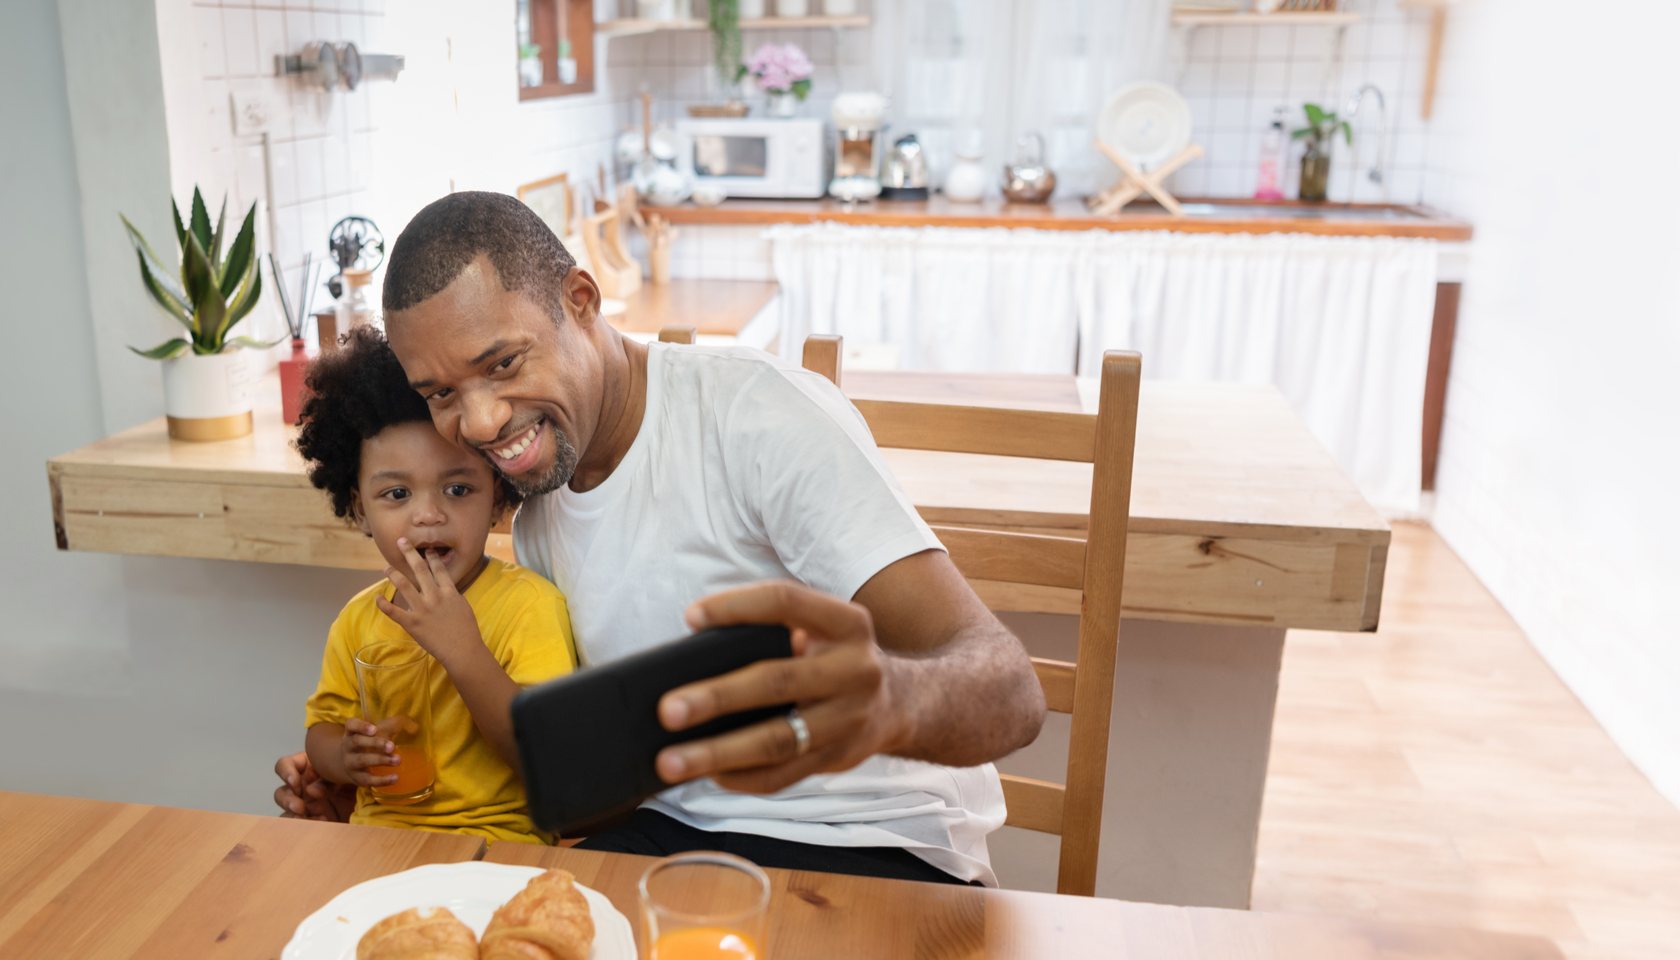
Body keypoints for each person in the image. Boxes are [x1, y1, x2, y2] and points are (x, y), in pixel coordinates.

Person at [276, 191, 1046, 885]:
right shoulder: (542, 503)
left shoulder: (753, 416)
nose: (478, 423)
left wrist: (889, 701)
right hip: (664, 841)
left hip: (870, 849)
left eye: (503, 363)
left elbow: (1013, 693)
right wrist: (354, 791)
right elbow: (589, 795)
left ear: (580, 299)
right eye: (441, 393)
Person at [291, 324, 577, 845]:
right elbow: (322, 731)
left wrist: (463, 650)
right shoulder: (360, 619)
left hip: (498, 846)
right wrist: (343, 758)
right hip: (376, 841)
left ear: (496, 499)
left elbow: (551, 760)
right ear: (360, 509)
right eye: (397, 493)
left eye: (458, 488)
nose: (428, 515)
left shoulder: (528, 607)